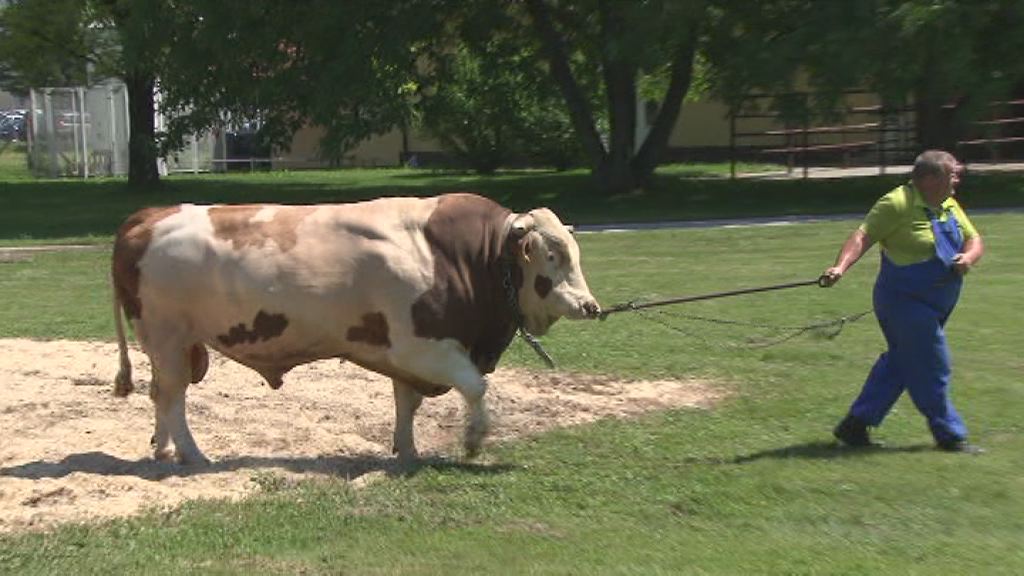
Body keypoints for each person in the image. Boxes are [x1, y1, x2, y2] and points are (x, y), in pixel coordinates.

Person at [820, 149, 985, 454]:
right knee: (932, 362)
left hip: (939, 303)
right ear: (929, 178)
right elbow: (863, 236)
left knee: (902, 361)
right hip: (903, 301)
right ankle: (949, 433)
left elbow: (974, 239)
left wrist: (968, 257)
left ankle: (855, 424)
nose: (958, 180)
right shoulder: (897, 203)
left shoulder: (947, 204)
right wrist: (840, 267)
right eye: (953, 174)